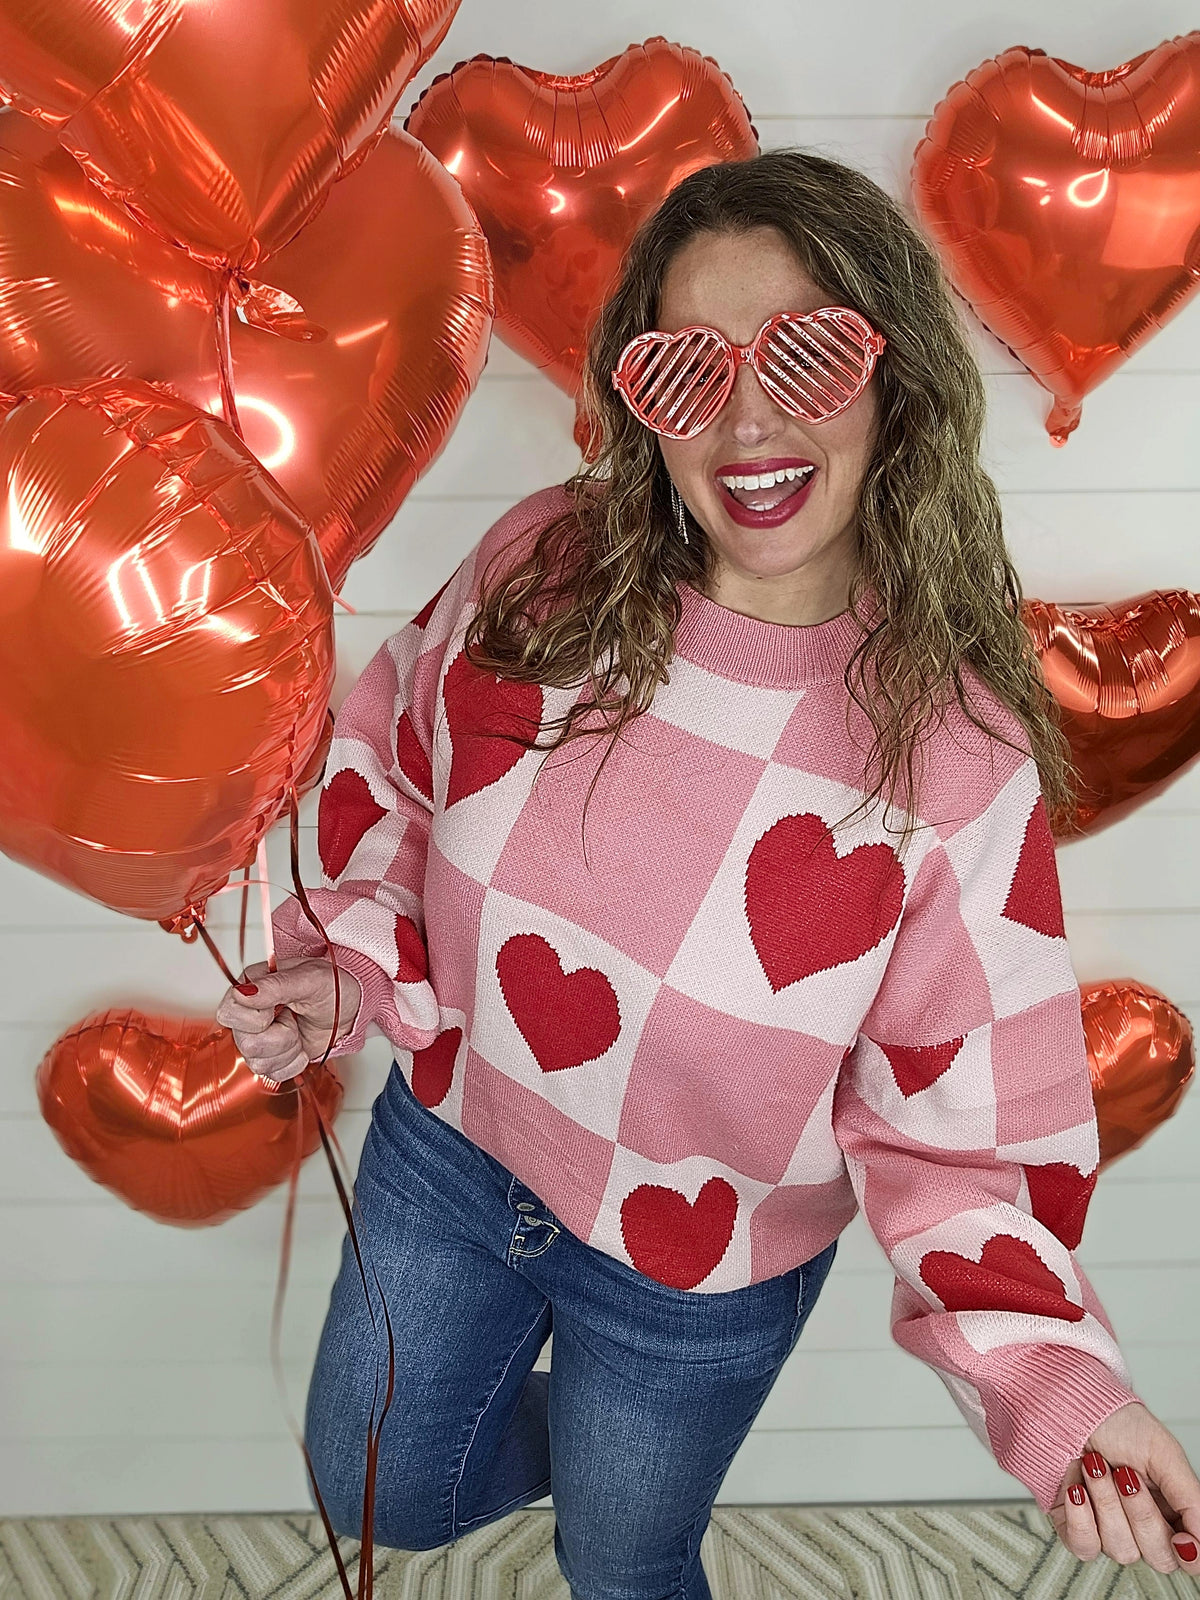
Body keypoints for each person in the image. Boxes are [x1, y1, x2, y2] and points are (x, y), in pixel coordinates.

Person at [217, 149, 1200, 1597]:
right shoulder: (540, 568)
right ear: (640, 401)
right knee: (380, 1491)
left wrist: (1065, 1390)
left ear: (894, 376)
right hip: (450, 1152)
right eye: (685, 372)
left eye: (805, 354)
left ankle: (631, 1471)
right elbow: (397, 781)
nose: (747, 417)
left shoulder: (956, 760)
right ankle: (589, 1446)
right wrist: (343, 966)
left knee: (624, 1566)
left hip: (695, 1275)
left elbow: (966, 1139)